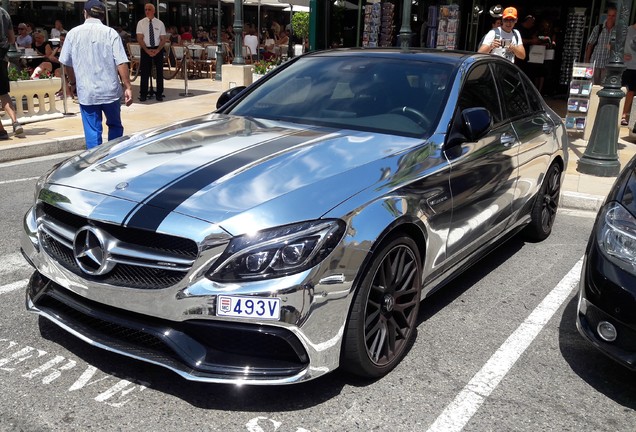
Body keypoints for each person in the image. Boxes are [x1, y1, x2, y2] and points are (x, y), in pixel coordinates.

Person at [60, 0, 133, 150]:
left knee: (93, 131)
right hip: (109, 90)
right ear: (102, 16)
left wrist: (73, 83)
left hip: (87, 91)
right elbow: (121, 62)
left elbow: (66, 63)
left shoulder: (72, 34)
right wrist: (127, 86)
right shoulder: (110, 33)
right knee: (115, 126)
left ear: (85, 13)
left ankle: (94, 162)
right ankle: (114, 154)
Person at [0, 8, 23, 138]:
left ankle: (2, 131)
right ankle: (15, 122)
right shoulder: (4, 13)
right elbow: (12, 38)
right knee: (4, 93)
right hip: (1, 57)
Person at [136, 3, 166, 102]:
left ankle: (159, 93)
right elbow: (140, 38)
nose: (147, 11)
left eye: (149, 9)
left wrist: (157, 50)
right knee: (144, 72)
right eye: (145, 9)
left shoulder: (160, 23)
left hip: (158, 48)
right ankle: (143, 93)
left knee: (159, 72)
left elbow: (163, 39)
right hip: (145, 49)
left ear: (154, 11)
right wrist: (147, 50)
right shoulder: (141, 23)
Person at [585, 6, 617, 85]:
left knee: (603, 86)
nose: (611, 18)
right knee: (591, 85)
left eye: (613, 16)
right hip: (595, 61)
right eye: (609, 15)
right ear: (607, 16)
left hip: (607, 64)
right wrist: (587, 61)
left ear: (616, 17)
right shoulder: (598, 28)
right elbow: (590, 45)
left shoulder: (617, 31)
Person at [621, 21, 636, 126]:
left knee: (631, 91)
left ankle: (624, 115)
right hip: (626, 66)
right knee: (623, 90)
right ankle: (619, 113)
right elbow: (614, 45)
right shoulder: (627, 30)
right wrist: (622, 55)